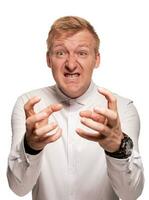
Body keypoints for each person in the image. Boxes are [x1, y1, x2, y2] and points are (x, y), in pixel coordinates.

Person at [7, 16, 144, 200]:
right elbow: (18, 188)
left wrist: (118, 149)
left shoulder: (123, 109)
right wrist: (31, 147)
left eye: (82, 53)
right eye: (61, 53)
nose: (71, 64)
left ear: (96, 59)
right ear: (49, 59)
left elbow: (131, 194)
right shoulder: (29, 105)